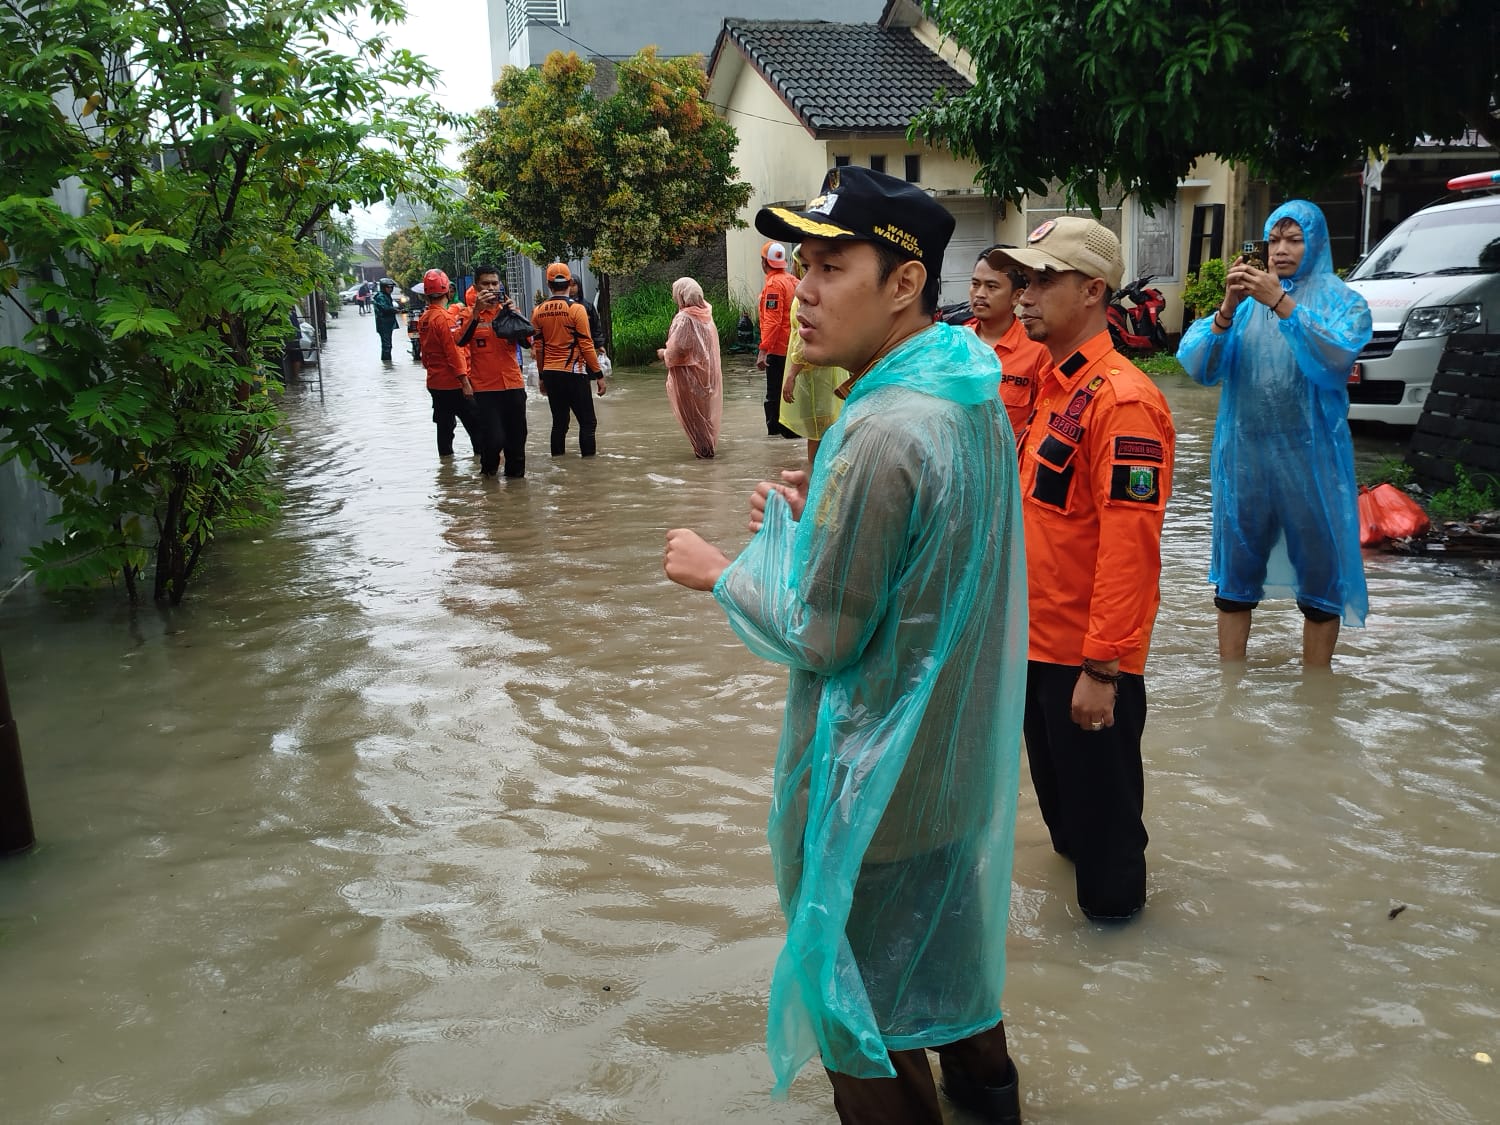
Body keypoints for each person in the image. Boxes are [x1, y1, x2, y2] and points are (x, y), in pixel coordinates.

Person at [663, 165, 1027, 1125]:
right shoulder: (967, 391)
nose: (803, 291)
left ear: (903, 282)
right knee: (950, 980)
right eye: (799, 264)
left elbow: (822, 634)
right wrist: (814, 516)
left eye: (831, 266)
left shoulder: (877, 432)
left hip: (878, 788)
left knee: (859, 1014)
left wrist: (721, 568)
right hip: (951, 765)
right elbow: (928, 569)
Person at [989, 217, 1175, 924]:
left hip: (1086, 664)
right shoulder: (1052, 386)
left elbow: (1130, 551)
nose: (1024, 294)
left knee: (1106, 857)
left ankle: (1121, 962)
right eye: (1023, 279)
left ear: (1093, 290)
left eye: (1041, 280)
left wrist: (1103, 671)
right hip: (1036, 649)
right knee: (1066, 827)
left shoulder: (1122, 402)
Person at [1177, 200, 1371, 665]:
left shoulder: (1344, 302)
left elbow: (1335, 359)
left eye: (1294, 239)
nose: (1281, 250)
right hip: (1244, 461)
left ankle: (1317, 691)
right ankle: (1230, 687)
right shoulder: (1243, 308)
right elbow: (1199, 367)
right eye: (1274, 239)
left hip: (1312, 464)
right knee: (1234, 579)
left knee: (1321, 581)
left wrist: (1280, 303)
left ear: (1316, 243)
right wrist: (1227, 307)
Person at [964, 246, 1050, 439]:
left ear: (1017, 296)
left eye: (991, 286)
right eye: (975, 284)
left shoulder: (1037, 350)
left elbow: (1043, 423)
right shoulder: (958, 342)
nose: (979, 294)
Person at [454, 264, 530, 478]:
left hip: (513, 384)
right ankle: (488, 478)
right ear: (476, 287)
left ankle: (516, 492)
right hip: (486, 389)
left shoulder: (507, 311)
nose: (491, 287)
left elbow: (526, 342)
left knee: (517, 442)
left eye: (494, 283)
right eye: (485, 284)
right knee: (494, 439)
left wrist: (514, 315)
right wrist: (477, 312)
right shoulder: (467, 314)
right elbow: (460, 340)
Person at [778, 252, 848, 463]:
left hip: (814, 378)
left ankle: (815, 482)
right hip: (832, 372)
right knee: (829, 429)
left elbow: (803, 342)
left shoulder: (804, 300)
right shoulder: (828, 295)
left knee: (816, 432)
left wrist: (791, 375)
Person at [533, 262, 606, 457]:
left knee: (559, 423)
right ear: (569, 282)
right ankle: (589, 469)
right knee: (588, 423)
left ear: (549, 285)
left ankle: (558, 465)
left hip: (550, 372)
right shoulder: (577, 309)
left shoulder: (538, 311)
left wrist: (541, 376)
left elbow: (538, 349)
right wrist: (598, 374)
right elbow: (586, 344)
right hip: (574, 372)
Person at [416, 268, 480, 459]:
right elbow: (454, 352)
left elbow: (425, 355)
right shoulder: (445, 319)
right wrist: (465, 382)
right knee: (476, 425)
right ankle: (484, 466)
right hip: (453, 383)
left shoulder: (424, 319)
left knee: (444, 428)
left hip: (435, 383)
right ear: (447, 291)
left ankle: (446, 470)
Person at [657, 277, 723, 459]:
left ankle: (704, 457)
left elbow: (678, 350)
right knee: (704, 417)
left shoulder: (684, 319)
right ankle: (707, 455)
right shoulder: (706, 316)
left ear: (681, 295)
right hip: (706, 376)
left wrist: (664, 353)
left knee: (695, 420)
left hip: (690, 379)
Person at [756, 241, 800, 438]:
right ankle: (790, 429)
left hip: (778, 349)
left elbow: (772, 321)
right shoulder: (794, 281)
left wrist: (764, 349)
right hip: (794, 348)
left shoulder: (774, 285)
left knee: (774, 395)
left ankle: (774, 432)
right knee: (791, 393)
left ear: (765, 262)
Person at [567, 276, 609, 371]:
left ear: (579, 286)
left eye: (574, 285)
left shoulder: (587, 306)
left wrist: (599, 345)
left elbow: (595, 327)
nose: (571, 289)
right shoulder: (563, 306)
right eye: (569, 286)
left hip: (586, 348)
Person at [373, 277, 399, 362]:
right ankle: (387, 363)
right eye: (389, 287)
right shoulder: (380, 296)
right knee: (386, 346)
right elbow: (385, 308)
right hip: (383, 324)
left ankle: (387, 364)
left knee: (388, 345)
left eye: (391, 287)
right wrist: (394, 310)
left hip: (388, 324)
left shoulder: (386, 296)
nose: (390, 289)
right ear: (384, 287)